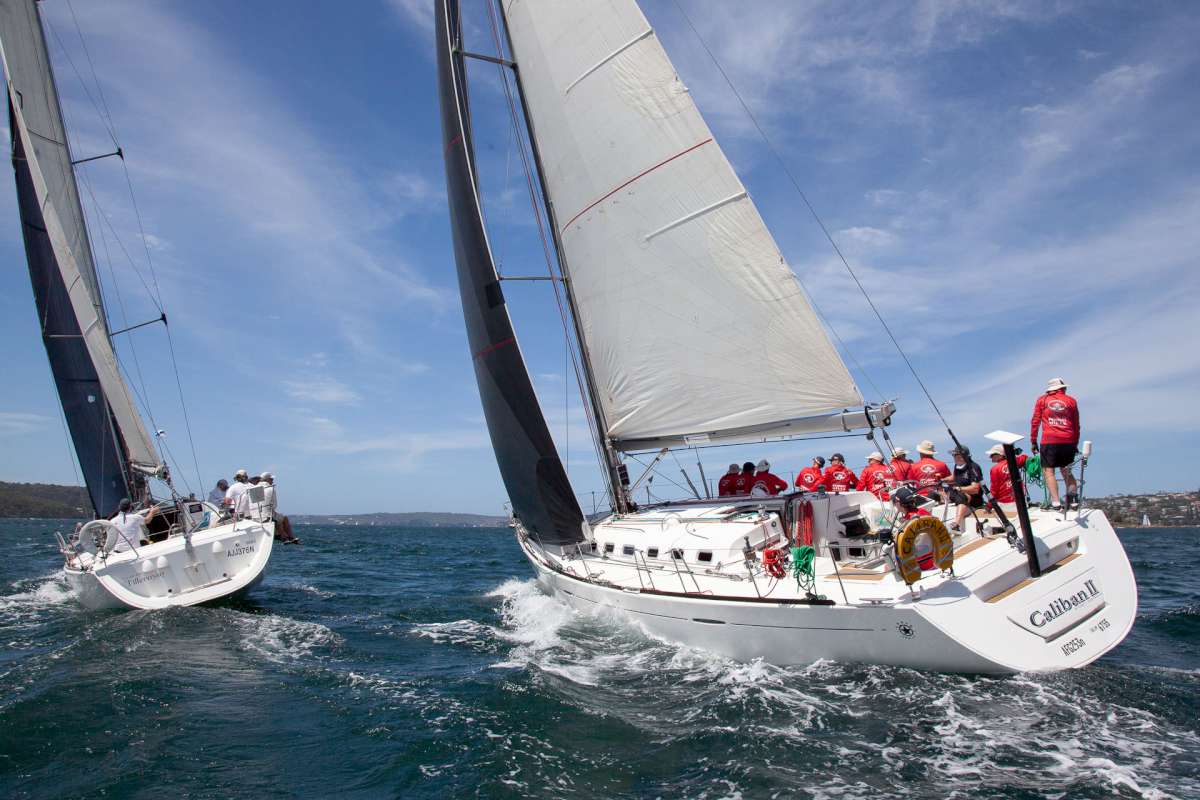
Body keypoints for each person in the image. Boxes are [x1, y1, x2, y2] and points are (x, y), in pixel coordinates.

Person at [1031, 377, 1080, 510]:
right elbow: (1076, 425)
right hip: (1068, 440)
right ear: (1061, 388)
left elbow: (1035, 421)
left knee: (1049, 472)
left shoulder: (1042, 400)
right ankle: (1073, 499)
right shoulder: (1071, 401)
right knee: (1066, 470)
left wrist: (1033, 441)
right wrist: (1075, 443)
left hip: (1049, 440)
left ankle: (1056, 502)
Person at [947, 445, 984, 532]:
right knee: (939, 493)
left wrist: (960, 489)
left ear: (961, 457)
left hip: (973, 501)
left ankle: (956, 524)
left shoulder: (974, 467)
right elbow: (954, 477)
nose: (954, 457)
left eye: (955, 455)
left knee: (961, 496)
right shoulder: (958, 466)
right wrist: (942, 480)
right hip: (959, 494)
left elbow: (975, 489)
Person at [987, 444, 1028, 513]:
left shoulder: (994, 469)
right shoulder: (1015, 462)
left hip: (1005, 504)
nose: (990, 457)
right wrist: (1013, 453)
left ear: (1000, 455)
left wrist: (989, 505)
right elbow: (1025, 457)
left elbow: (994, 490)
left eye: (992, 455)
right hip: (1021, 502)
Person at [261, 473, 300, 544]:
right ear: (266, 479)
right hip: (267, 514)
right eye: (271, 479)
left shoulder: (255, 488)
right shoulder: (270, 489)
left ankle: (282, 536)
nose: (272, 481)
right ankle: (291, 537)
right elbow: (275, 505)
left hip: (256, 515)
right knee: (284, 518)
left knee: (279, 518)